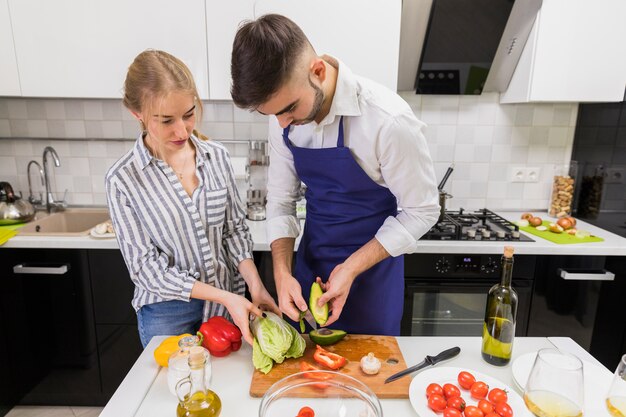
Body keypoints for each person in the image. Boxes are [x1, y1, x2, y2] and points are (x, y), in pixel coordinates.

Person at [230, 15, 440, 336]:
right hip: (309, 269)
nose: (282, 124)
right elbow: (282, 202)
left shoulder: (388, 121)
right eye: (273, 114)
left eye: (289, 109)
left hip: (373, 281)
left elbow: (422, 211)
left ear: (317, 71)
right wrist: (282, 274)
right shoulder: (283, 116)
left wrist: (352, 267)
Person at [106, 49, 279, 348]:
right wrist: (224, 296)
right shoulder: (123, 179)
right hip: (167, 311)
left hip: (230, 301)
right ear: (138, 114)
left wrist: (256, 285)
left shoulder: (216, 157)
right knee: (177, 391)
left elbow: (234, 231)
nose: (182, 129)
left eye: (188, 114)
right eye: (165, 120)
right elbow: (146, 270)